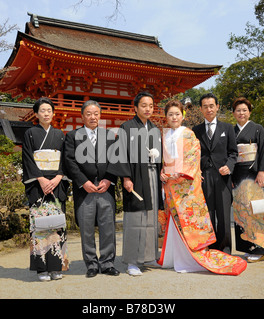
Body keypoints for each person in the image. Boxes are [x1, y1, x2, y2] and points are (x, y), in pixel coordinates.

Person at [158, 100, 246, 276]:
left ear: (182, 116)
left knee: (198, 220)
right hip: (170, 184)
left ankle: (191, 257)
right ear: (165, 117)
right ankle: (174, 256)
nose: (174, 117)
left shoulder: (189, 134)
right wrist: (163, 172)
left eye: (177, 114)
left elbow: (193, 158)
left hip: (185, 184)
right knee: (175, 221)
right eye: (170, 114)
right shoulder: (164, 135)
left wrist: (180, 174)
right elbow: (164, 160)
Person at [107, 91, 163, 276]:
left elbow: (160, 155)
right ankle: (132, 261)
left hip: (152, 175)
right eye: (144, 105)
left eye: (151, 106)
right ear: (135, 108)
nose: (148, 109)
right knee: (135, 217)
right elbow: (121, 153)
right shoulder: (126, 127)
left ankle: (149, 257)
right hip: (136, 177)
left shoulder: (154, 128)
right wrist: (126, 177)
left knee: (151, 217)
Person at [63, 100, 119, 278]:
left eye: (96, 113)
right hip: (84, 188)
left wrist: (109, 179)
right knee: (86, 228)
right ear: (82, 116)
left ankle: (108, 262)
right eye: (89, 113)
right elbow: (69, 161)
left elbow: (115, 160)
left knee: (108, 226)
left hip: (105, 187)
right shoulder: (73, 136)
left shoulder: (109, 136)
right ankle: (91, 264)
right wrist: (83, 181)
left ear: (100, 115)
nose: (93, 117)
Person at [22, 97, 69, 281]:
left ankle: (57, 267)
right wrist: (41, 179)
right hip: (38, 185)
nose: (46, 113)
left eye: (49, 110)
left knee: (57, 227)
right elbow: (27, 158)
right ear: (36, 114)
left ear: (53, 113)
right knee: (40, 227)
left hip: (56, 185)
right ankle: (42, 269)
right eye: (42, 110)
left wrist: (58, 177)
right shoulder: (30, 134)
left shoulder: (60, 134)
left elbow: (65, 159)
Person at [231, 97, 264, 263]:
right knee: (241, 211)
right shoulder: (232, 131)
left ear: (249, 112)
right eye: (238, 110)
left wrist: (262, 172)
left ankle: (259, 249)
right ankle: (246, 247)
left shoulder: (258, 129)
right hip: (238, 174)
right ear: (233, 113)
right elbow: (230, 154)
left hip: (254, 173)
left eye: (244, 110)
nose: (241, 113)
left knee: (256, 211)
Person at [192, 93, 238, 254]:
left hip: (223, 176)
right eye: (205, 106)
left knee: (224, 215)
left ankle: (225, 249)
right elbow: (192, 154)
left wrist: (229, 166)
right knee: (208, 214)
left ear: (217, 107)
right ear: (200, 109)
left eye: (212, 106)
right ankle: (210, 248)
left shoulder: (227, 128)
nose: (209, 109)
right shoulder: (195, 130)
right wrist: (196, 171)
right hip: (204, 176)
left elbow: (233, 153)